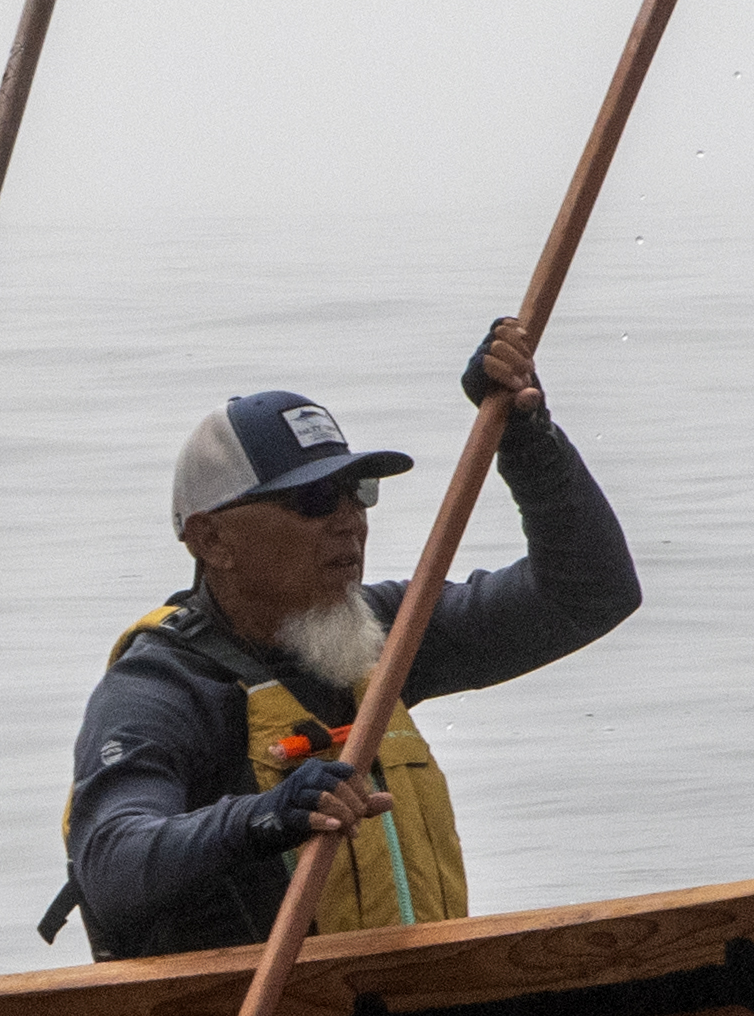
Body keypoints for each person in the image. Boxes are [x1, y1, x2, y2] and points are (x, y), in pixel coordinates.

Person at [60, 317, 637, 959]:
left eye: (355, 492)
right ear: (211, 540)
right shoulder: (160, 690)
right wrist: (266, 815)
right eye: (311, 501)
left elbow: (589, 594)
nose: (348, 522)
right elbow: (111, 864)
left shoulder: (384, 629)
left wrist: (527, 438)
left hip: (406, 1015)